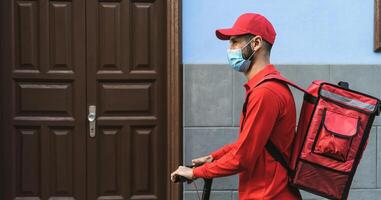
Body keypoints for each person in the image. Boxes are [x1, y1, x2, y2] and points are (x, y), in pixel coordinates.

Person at [171, 13, 302, 200]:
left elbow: (242, 158)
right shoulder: (265, 88)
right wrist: (214, 157)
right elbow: (251, 143)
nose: (229, 49)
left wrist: (196, 173)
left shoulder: (266, 93)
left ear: (256, 44)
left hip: (268, 195)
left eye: (234, 42)